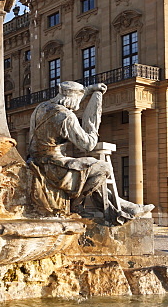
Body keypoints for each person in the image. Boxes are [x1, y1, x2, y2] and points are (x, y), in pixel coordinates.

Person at [27, 81, 154, 225]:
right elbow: (88, 144)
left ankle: (125, 207)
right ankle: (76, 205)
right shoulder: (65, 116)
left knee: (90, 171)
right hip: (53, 167)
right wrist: (93, 127)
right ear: (73, 98)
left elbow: (74, 98)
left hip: (35, 161)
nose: (79, 104)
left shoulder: (41, 108)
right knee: (102, 168)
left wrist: (89, 90)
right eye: (79, 99)